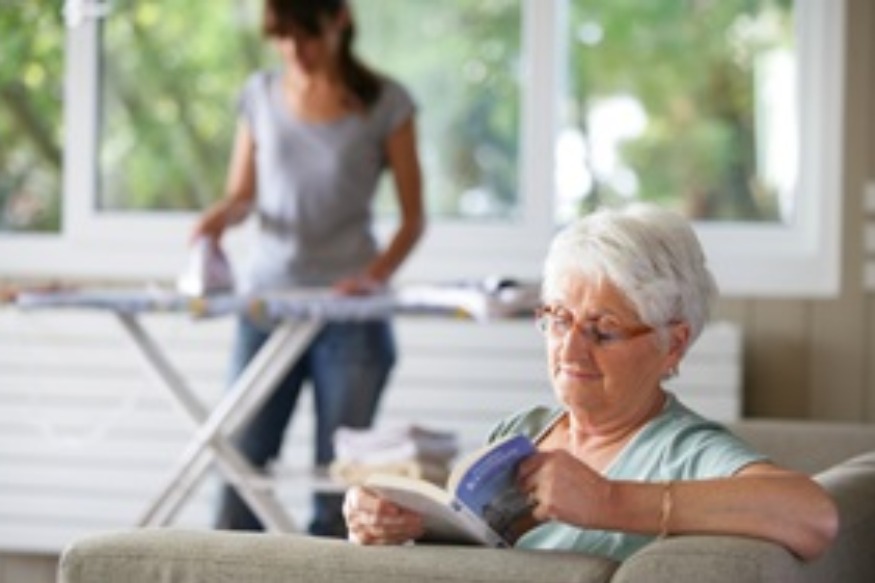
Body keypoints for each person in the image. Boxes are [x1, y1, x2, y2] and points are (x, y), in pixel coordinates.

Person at [343, 203, 838, 562]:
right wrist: (393, 524)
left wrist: (608, 501)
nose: (571, 349)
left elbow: (815, 516)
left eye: (603, 330)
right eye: (559, 319)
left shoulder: (683, 449)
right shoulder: (525, 428)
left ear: (673, 344)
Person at [191, 0, 425, 537]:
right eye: (283, 37)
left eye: (309, 35)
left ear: (339, 19)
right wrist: (217, 220)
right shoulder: (258, 95)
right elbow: (243, 194)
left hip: (350, 314)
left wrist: (373, 276)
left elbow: (413, 220)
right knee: (241, 463)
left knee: (337, 480)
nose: (296, 51)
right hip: (267, 305)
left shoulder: (387, 103)